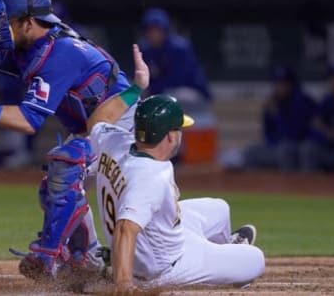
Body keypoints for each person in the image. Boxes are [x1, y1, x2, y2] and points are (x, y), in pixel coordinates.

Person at [0, 0, 137, 276]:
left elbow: (27, 121)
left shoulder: (60, 53)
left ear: (28, 22)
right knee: (52, 188)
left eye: (4, 21)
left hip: (122, 126)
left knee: (66, 168)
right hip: (95, 127)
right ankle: (86, 257)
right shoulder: (31, 45)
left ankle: (48, 257)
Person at [85, 45, 265, 292]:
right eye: (179, 129)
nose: (182, 134)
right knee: (255, 259)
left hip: (160, 240)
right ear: (169, 137)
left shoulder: (115, 142)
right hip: (165, 266)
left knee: (220, 208)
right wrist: (124, 283)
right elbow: (126, 227)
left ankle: (223, 252)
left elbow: (97, 121)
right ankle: (225, 263)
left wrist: (136, 88)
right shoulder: (149, 176)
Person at [244, 65, 315, 172]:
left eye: (283, 83)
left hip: (297, 147)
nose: (279, 87)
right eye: (276, 83)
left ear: (291, 84)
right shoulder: (273, 101)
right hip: (276, 146)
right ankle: (257, 187)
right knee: (250, 153)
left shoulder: (301, 101)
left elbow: (295, 134)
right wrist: (273, 142)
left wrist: (277, 115)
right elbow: (268, 133)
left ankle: (290, 186)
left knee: (286, 150)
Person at [138, 8, 211, 101]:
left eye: (157, 30)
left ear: (165, 30)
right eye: (150, 30)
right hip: (160, 92)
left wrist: (151, 89)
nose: (154, 34)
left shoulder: (180, 47)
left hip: (191, 91)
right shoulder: (144, 49)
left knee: (172, 96)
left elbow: (178, 80)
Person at [300, 64, 334, 173]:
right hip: (330, 148)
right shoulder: (327, 101)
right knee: (308, 148)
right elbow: (315, 126)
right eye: (333, 78)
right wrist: (329, 133)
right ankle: (311, 187)